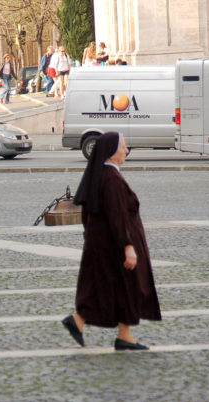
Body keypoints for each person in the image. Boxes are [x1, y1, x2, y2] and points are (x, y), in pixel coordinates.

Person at [62, 132, 161, 351]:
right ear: (110, 152)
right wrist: (128, 247)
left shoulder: (101, 176)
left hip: (105, 244)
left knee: (109, 288)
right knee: (129, 286)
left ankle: (81, 321)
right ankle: (123, 335)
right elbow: (118, 216)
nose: (126, 151)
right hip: (118, 245)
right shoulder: (112, 179)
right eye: (123, 147)